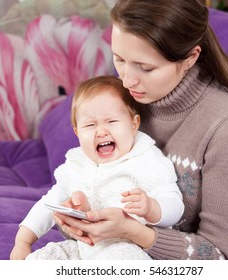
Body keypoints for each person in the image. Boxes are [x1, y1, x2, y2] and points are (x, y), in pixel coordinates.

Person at [54, 0, 228, 260]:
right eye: (119, 59)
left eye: (146, 68)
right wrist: (79, 220)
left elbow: (220, 257)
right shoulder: (132, 98)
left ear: (191, 58)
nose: (127, 79)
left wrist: (134, 232)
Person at [10, 75, 184, 260]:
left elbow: (175, 205)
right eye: (90, 125)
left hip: (129, 246)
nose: (101, 131)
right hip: (84, 247)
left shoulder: (146, 158)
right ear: (77, 132)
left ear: (134, 125)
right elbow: (49, 204)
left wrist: (152, 208)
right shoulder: (77, 164)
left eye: (111, 121)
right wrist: (23, 242)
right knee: (46, 258)